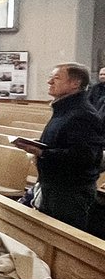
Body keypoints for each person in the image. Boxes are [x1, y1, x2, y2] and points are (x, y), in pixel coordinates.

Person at [16, 64, 105, 232]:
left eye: (56, 78)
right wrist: (40, 146)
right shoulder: (64, 110)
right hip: (52, 188)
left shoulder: (83, 115)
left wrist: (42, 152)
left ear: (75, 83)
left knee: (62, 241)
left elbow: (85, 157)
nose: (49, 81)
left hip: (69, 194)